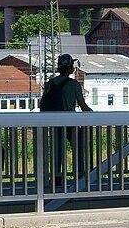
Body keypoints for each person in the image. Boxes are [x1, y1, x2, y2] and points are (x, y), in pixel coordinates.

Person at [39, 51, 91, 185]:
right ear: (69, 67)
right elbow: (83, 106)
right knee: (79, 149)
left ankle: (57, 179)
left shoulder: (50, 83)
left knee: (57, 152)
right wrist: (94, 116)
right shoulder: (74, 84)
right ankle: (80, 176)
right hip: (71, 123)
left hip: (55, 123)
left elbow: (43, 105)